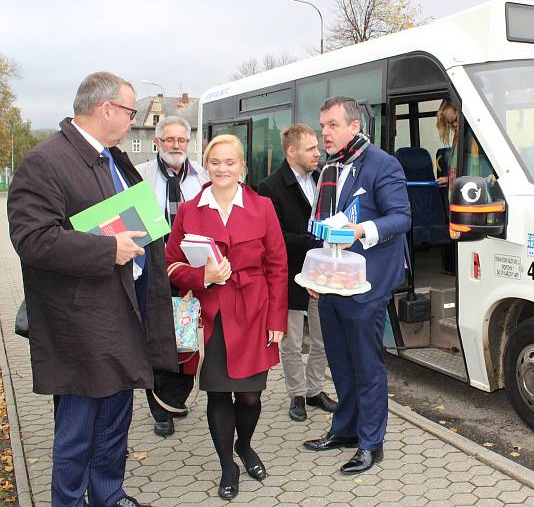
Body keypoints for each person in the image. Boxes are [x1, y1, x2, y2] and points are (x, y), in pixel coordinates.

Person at [7, 71, 177, 507]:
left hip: (124, 310)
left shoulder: (112, 157)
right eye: (129, 111)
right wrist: (106, 249)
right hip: (81, 323)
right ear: (106, 110)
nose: (132, 119)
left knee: (115, 419)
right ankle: (67, 501)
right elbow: (33, 239)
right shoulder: (46, 161)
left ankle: (108, 494)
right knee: (79, 427)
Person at [165, 134, 288, 500]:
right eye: (215, 162)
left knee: (250, 396)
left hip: (254, 312)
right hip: (211, 315)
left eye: (230, 162)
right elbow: (170, 265)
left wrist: (277, 320)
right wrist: (203, 277)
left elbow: (278, 267)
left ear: (242, 167)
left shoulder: (263, 206)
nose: (222, 168)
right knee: (218, 394)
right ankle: (227, 466)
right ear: (207, 165)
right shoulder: (190, 209)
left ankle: (245, 446)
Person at [302, 97, 411, 474]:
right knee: (340, 363)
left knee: (366, 366)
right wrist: (314, 275)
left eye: (332, 125)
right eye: (322, 126)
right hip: (331, 281)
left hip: (367, 283)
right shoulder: (328, 168)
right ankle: (345, 429)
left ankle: (370, 443)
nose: (325, 133)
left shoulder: (383, 164)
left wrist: (361, 231)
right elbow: (321, 225)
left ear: (354, 126)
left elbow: (402, 218)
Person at [256, 125, 337, 422]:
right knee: (291, 342)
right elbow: (273, 238)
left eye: (318, 147)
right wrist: (315, 238)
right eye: (311, 149)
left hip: (320, 271)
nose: (318, 153)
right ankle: (297, 394)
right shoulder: (269, 187)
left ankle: (315, 390)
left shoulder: (323, 178)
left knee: (322, 337)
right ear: (292, 152)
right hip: (288, 274)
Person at [136, 115, 209, 437]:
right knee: (158, 338)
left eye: (181, 140)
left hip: (190, 269)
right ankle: (159, 408)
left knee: (186, 335)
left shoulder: (203, 177)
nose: (175, 146)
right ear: (157, 142)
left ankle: (176, 398)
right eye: (169, 140)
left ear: (189, 143)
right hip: (153, 270)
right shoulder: (140, 177)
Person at [435, 99, 458, 186]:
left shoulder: (470, 136)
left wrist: (450, 180)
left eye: (455, 119)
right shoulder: (457, 138)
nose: (454, 125)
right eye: (451, 123)